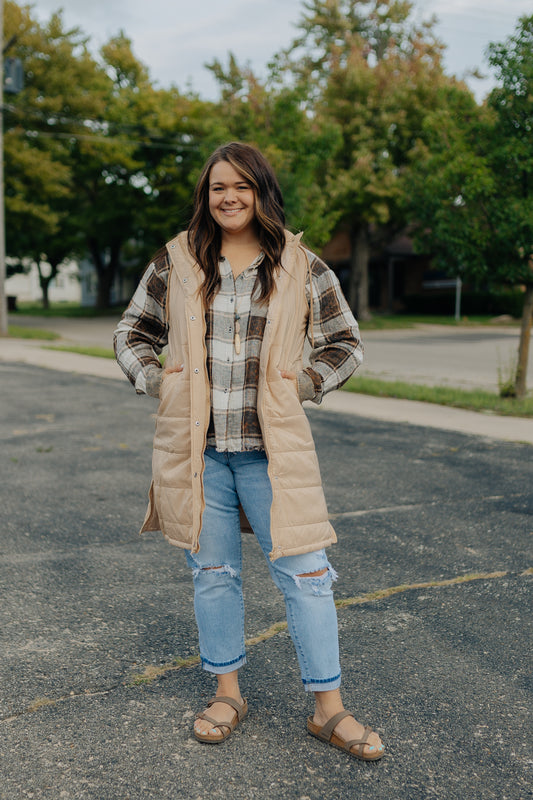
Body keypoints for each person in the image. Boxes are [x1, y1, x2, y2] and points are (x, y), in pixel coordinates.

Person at [114, 142, 384, 761]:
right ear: (205, 197)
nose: (229, 197)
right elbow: (131, 331)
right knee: (214, 576)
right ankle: (228, 693)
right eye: (217, 188)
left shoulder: (300, 264)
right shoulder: (176, 261)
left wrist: (310, 382)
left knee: (309, 579)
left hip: (273, 453)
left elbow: (346, 342)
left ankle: (328, 709)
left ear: (262, 191)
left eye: (242, 186)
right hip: (200, 453)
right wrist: (157, 379)